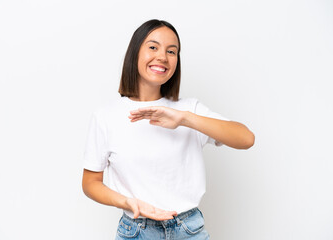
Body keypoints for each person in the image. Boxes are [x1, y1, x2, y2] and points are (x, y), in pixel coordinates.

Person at [82, 19, 255, 240]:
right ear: (135, 52)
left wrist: (184, 119)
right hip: (137, 231)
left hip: (189, 230)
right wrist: (127, 202)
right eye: (153, 47)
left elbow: (246, 139)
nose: (163, 57)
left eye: (171, 51)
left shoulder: (188, 109)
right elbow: (90, 183)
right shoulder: (106, 117)